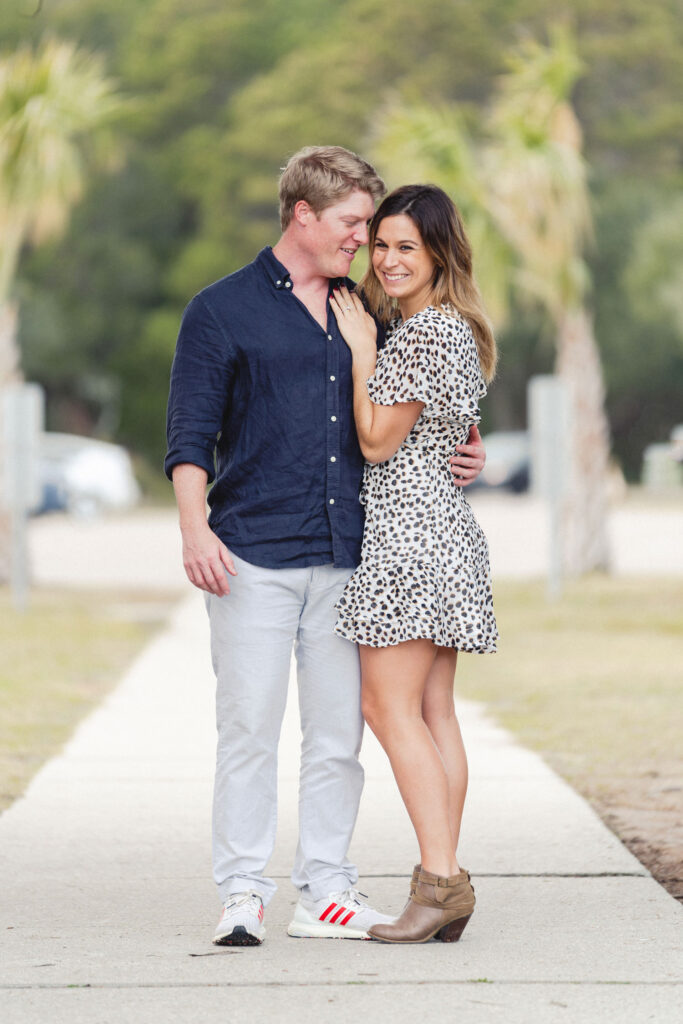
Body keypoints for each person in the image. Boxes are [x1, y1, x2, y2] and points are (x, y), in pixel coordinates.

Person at [164, 148, 487, 947]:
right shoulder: (222, 308)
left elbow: (421, 409)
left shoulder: (370, 311)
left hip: (353, 555)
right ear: (302, 215)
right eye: (353, 226)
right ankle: (243, 889)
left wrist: (472, 447)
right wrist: (193, 525)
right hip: (252, 554)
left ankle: (327, 887)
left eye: (376, 231)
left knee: (340, 737)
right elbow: (188, 431)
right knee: (248, 729)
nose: (365, 243)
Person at [330, 183, 498, 944]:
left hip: (408, 537)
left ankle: (440, 883)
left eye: (407, 247)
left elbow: (374, 441)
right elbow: (449, 434)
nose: (390, 260)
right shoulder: (451, 329)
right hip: (441, 531)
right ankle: (444, 878)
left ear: (437, 252)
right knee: (431, 713)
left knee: (387, 709)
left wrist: (364, 352)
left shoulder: (422, 334)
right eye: (382, 244)